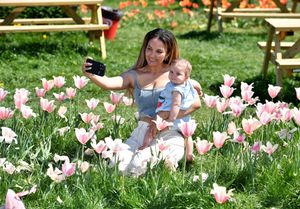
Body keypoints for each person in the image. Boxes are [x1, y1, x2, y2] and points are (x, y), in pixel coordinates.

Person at [82, 28, 201, 175]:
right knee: (116, 166)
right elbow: (109, 83)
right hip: (143, 132)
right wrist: (91, 75)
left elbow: (196, 103)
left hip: (169, 132)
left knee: (143, 165)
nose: (152, 55)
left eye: (159, 51)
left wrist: (162, 120)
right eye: (149, 49)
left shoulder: (175, 74)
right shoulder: (135, 75)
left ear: (168, 53)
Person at [139, 58, 196, 161]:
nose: (173, 76)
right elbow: (194, 86)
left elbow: (176, 104)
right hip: (184, 118)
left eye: (178, 74)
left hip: (169, 115)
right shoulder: (185, 84)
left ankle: (145, 144)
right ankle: (189, 154)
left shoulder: (176, 90)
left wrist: (171, 119)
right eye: (171, 72)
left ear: (186, 77)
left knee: (152, 127)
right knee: (187, 135)